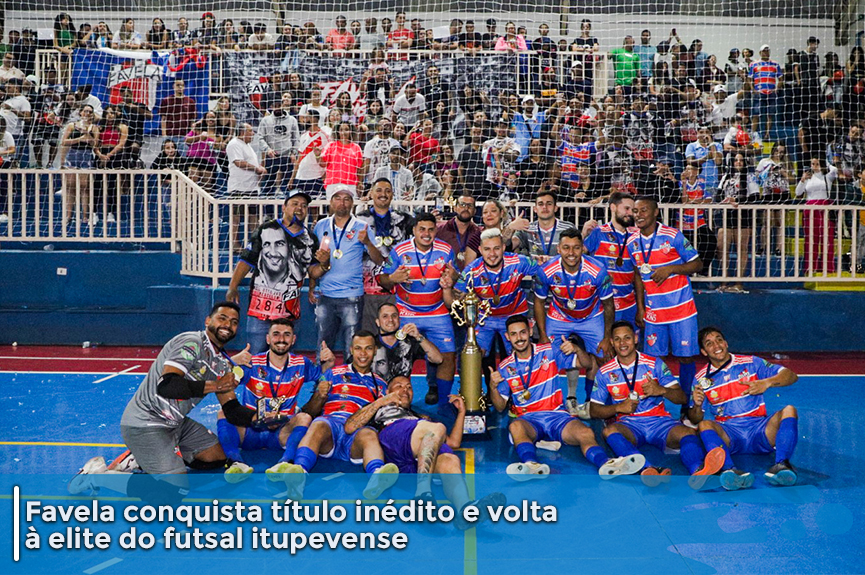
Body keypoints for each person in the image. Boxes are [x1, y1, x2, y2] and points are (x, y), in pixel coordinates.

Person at [69, 302, 248, 496]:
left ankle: (141, 459)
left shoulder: (221, 362)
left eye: (234, 322)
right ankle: (98, 476)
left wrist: (267, 416)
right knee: (174, 492)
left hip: (175, 423)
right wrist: (216, 385)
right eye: (222, 318)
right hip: (146, 422)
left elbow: (232, 410)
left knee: (215, 458)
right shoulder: (191, 342)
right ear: (207, 321)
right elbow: (168, 385)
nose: (228, 325)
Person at [489, 315, 643, 479]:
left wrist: (577, 349)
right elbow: (499, 406)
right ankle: (531, 465)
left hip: (557, 416)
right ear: (507, 337)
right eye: (514, 334)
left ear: (530, 332)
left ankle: (605, 463)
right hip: (529, 419)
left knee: (586, 432)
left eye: (522, 333)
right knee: (515, 427)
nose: (519, 338)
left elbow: (586, 364)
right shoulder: (505, 367)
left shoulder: (549, 350)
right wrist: (493, 387)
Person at [344, 375, 505, 526]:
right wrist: (381, 402)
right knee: (436, 428)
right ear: (387, 391)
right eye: (398, 386)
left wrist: (462, 412)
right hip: (393, 436)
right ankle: (422, 495)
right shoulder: (378, 407)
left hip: (414, 462)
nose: (404, 390)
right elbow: (350, 426)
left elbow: (453, 442)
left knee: (450, 459)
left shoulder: (419, 417)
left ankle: (465, 510)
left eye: (409, 387)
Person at [590, 321, 725, 485]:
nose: (622, 343)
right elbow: (594, 410)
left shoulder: (655, 364)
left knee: (688, 434)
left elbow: (682, 397)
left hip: (660, 421)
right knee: (609, 431)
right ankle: (648, 470)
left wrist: (661, 390)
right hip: (629, 424)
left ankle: (698, 472)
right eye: (617, 339)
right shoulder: (604, 372)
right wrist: (618, 407)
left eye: (627, 338)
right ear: (611, 342)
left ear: (635, 339)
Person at [272, 331, 400, 501]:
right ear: (351, 350)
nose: (363, 354)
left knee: (370, 434)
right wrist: (319, 395)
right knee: (318, 423)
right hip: (329, 431)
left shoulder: (381, 384)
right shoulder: (333, 373)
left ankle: (377, 477)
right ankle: (298, 475)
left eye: (368, 348)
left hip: (356, 436)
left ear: (375, 351)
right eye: (358, 348)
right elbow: (309, 411)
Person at [216, 319, 334, 481]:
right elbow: (220, 380)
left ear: (293, 339)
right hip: (251, 429)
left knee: (304, 418)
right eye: (276, 334)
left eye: (286, 335)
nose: (281, 339)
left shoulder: (301, 364)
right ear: (268, 339)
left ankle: (285, 462)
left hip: (281, 433)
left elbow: (321, 376)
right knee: (223, 413)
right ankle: (236, 463)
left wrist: (328, 365)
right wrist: (233, 361)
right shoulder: (251, 363)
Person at [688, 327, 800, 490]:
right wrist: (697, 406)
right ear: (704, 352)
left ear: (726, 343)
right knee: (704, 425)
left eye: (719, 340)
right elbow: (695, 419)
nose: (716, 345)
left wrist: (767, 382)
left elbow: (791, 376)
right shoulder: (700, 379)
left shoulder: (751, 362)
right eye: (709, 343)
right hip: (730, 434)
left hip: (760, 430)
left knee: (790, 409)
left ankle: (782, 465)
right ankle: (729, 470)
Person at [628, 196, 703, 406]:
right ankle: (654, 404)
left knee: (686, 358)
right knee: (653, 361)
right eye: (635, 211)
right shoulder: (633, 241)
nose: (638, 215)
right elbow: (637, 274)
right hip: (654, 312)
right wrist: (640, 307)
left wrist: (671, 268)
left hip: (682, 310)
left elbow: (697, 264)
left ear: (655, 213)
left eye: (643, 210)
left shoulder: (673, 236)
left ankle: (687, 404)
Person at [379, 212, 457, 411]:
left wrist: (452, 279)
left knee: (447, 356)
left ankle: (444, 405)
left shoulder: (446, 250)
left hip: (437, 311)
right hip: (407, 311)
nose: (426, 233)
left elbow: (456, 278)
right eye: (421, 229)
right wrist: (393, 278)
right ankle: (399, 401)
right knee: (400, 354)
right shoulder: (399, 251)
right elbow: (382, 279)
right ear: (414, 230)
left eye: (431, 229)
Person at [226, 189, 321, 353]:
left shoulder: (310, 239)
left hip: (290, 310)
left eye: (304, 206)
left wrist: (322, 268)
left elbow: (313, 270)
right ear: (284, 207)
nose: (299, 208)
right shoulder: (265, 229)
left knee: (284, 360)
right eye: (295, 204)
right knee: (255, 357)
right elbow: (247, 259)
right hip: (260, 309)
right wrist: (233, 286)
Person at [534, 227, 614, 417]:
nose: (571, 253)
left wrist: (606, 337)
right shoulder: (546, 271)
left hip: (591, 316)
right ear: (559, 249)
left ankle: (593, 402)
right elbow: (538, 301)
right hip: (559, 316)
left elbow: (609, 305)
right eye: (566, 248)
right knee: (546, 355)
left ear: (582, 248)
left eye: (576, 248)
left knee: (604, 355)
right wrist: (543, 335)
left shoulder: (597, 271)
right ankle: (548, 401)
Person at [312, 189, 383, 356]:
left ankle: (350, 381)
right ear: (331, 202)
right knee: (323, 345)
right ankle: (322, 382)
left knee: (352, 347)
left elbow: (379, 259)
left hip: (352, 296)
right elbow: (313, 260)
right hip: (325, 294)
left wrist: (368, 243)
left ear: (352, 203)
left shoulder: (362, 227)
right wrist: (312, 286)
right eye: (337, 198)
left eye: (346, 199)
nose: (342, 203)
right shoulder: (321, 225)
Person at [356, 178, 414, 334]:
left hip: (396, 289)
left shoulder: (405, 219)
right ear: (371, 194)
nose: (383, 194)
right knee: (369, 335)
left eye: (388, 191)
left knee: (397, 335)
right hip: (367, 289)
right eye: (379, 190)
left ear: (392, 195)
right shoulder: (359, 220)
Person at [581, 192, 639, 327]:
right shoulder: (598, 232)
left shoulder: (637, 235)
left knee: (629, 344)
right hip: (602, 302)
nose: (630, 213)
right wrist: (583, 234)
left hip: (629, 303)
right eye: (626, 208)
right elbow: (577, 254)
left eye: (633, 210)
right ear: (613, 207)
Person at [716, 153, 759, 292]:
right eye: (736, 160)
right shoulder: (725, 177)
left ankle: (739, 282)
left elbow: (755, 198)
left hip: (743, 218)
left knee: (742, 250)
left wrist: (737, 202)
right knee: (722, 248)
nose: (738, 162)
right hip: (727, 218)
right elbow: (717, 195)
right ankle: (724, 280)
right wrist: (724, 201)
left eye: (741, 160)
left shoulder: (749, 178)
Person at [371, 303, 442, 383]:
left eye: (394, 316)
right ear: (378, 322)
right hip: (377, 392)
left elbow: (438, 359)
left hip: (401, 392)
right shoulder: (370, 344)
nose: (390, 319)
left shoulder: (408, 342)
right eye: (385, 316)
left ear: (399, 320)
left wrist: (418, 336)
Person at [795, 156, 837, 274]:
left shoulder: (827, 177)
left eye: (817, 163)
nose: (814, 166)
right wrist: (802, 180)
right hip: (810, 210)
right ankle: (810, 268)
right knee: (811, 240)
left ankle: (827, 268)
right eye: (812, 164)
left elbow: (834, 170)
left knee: (827, 239)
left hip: (825, 210)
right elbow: (798, 193)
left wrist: (826, 163)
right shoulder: (807, 178)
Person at [514, 189, 577, 263]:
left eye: (549, 203)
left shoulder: (568, 228)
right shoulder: (527, 228)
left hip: (560, 272)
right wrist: (510, 227)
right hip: (535, 273)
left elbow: (578, 253)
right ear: (535, 209)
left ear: (556, 208)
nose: (545, 207)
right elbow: (508, 246)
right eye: (541, 204)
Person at [258, 93, 300, 197]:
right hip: (272, 156)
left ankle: (289, 210)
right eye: (274, 105)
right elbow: (260, 137)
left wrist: (294, 153)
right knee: (267, 186)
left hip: (287, 157)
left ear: (282, 104)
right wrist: (267, 149)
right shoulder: (265, 120)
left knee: (288, 186)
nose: (277, 107)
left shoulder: (292, 120)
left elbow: (296, 139)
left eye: (279, 105)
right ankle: (268, 212)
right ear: (271, 106)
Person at [288, 110, 330, 198]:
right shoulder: (303, 136)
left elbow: (327, 160)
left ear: (314, 119)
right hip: (300, 177)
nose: (303, 120)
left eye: (306, 117)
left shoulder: (323, 136)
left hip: (315, 177)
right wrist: (292, 178)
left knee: (314, 207)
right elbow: (299, 158)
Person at [318, 122, 363, 198]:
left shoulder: (356, 147)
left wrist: (359, 183)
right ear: (337, 132)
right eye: (341, 130)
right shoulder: (330, 146)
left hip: (351, 184)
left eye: (346, 129)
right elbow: (322, 164)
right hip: (333, 183)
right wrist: (317, 155)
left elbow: (360, 169)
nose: (343, 132)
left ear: (351, 131)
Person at [749, 45, 783, 140]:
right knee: (756, 114)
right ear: (760, 53)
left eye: (767, 51)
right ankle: (753, 134)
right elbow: (749, 78)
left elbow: (780, 79)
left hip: (771, 93)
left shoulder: (775, 64)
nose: (766, 53)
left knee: (770, 114)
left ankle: (767, 134)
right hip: (759, 92)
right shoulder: (754, 64)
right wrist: (753, 89)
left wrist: (776, 89)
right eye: (764, 51)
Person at [158, 79, 197, 155]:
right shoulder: (166, 101)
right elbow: (163, 119)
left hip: (185, 136)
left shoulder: (190, 101)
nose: (180, 87)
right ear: (173, 86)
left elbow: (192, 121)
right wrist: (164, 135)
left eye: (182, 85)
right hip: (170, 135)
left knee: (184, 159)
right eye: (178, 85)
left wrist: (191, 135)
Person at [226, 123, 265, 198]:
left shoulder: (247, 145)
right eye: (250, 131)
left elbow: (250, 161)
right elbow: (239, 163)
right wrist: (256, 169)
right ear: (242, 132)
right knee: (240, 210)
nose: (253, 133)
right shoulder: (235, 144)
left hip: (251, 188)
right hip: (239, 189)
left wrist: (260, 168)